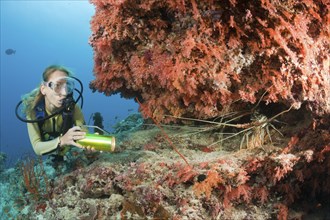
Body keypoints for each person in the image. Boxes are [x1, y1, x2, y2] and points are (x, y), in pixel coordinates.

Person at [21, 65, 87, 160]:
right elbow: (37, 147)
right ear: (43, 89)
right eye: (57, 86)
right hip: (51, 140)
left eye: (67, 86)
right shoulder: (33, 112)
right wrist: (61, 141)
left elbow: (84, 132)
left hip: (67, 147)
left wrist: (88, 144)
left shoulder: (73, 108)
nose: (64, 93)